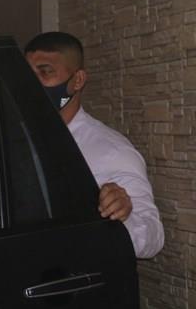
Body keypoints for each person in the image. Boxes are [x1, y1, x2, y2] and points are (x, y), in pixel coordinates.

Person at [25, 32, 164, 258]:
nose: (33, 83)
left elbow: (153, 239)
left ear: (78, 80)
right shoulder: (17, 137)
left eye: (45, 72)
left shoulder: (113, 151)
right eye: (28, 74)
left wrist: (124, 214)